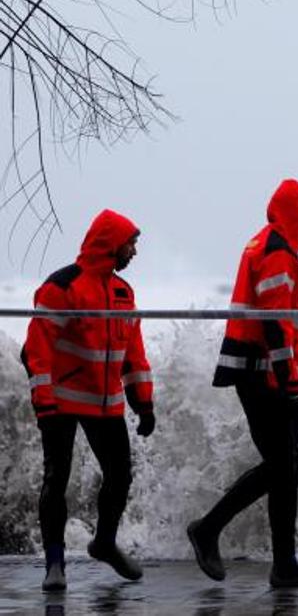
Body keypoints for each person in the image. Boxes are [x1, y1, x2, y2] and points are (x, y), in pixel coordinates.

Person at [187, 179, 298, 588]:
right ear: (296, 214)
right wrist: (290, 384)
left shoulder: (275, 248)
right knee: (281, 466)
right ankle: (207, 529)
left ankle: (284, 565)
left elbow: (285, 325)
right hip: (261, 375)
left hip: (272, 372)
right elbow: (272, 327)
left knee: (286, 468)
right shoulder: (275, 253)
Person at [20, 209, 156, 592]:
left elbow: (134, 354)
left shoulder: (123, 293)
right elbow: (37, 350)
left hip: (105, 403)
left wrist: (143, 402)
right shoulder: (61, 287)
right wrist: (42, 399)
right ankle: (55, 564)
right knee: (56, 478)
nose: (134, 252)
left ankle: (105, 542)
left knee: (120, 475)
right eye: (131, 244)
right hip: (59, 401)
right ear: (112, 244)